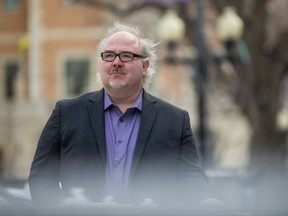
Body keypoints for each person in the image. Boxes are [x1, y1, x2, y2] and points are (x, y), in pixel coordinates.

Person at [28, 22, 213, 208]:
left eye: (126, 55)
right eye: (109, 56)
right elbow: (41, 176)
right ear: (101, 64)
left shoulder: (175, 121)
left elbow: (191, 179)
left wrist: (206, 202)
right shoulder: (66, 113)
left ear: (145, 66)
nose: (116, 62)